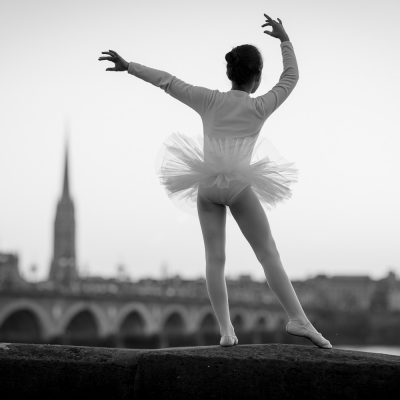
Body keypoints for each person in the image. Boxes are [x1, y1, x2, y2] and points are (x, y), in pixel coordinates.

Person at [98, 13, 332, 349]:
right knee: (268, 254)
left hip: (206, 184)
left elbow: (167, 80)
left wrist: (129, 66)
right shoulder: (260, 106)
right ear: (256, 79)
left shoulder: (208, 99)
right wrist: (284, 40)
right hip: (238, 184)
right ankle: (298, 320)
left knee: (214, 259)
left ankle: (225, 331)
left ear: (230, 74)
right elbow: (291, 77)